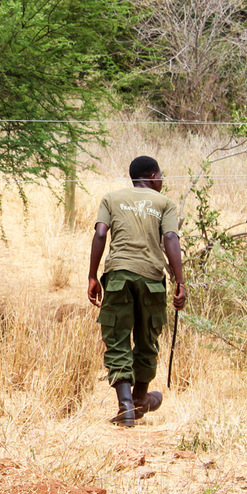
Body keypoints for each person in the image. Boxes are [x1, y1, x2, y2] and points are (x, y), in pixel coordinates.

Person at [86, 155, 187, 428]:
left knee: (117, 338)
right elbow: (169, 238)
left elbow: (99, 235)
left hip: (118, 275)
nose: (162, 180)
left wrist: (92, 275)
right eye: (161, 176)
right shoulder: (166, 204)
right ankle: (141, 397)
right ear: (153, 177)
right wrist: (180, 281)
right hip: (152, 279)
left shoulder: (111, 198)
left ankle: (127, 407)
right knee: (147, 339)